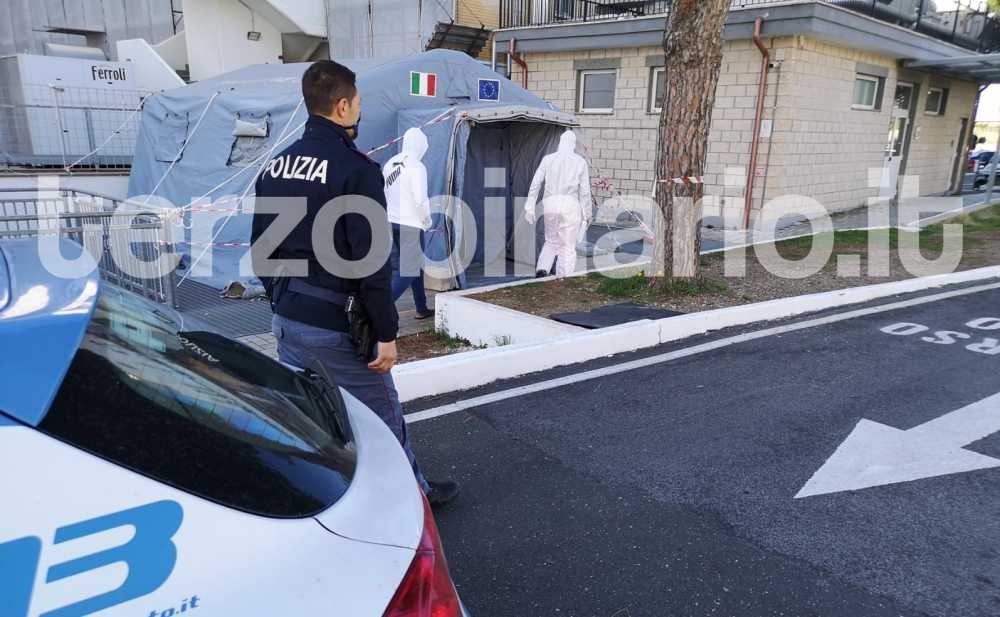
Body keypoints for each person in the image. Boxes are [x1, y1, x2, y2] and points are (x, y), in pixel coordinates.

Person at [251, 60, 459, 507]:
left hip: (288, 320)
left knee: (316, 418)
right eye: (358, 103)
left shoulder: (275, 166)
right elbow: (372, 265)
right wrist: (385, 332)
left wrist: (282, 301)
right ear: (342, 106)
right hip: (337, 327)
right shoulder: (356, 169)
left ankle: (332, 498)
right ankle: (414, 502)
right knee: (382, 417)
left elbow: (261, 251)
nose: (360, 111)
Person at [523, 130, 593, 278]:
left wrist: (530, 208)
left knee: (551, 241)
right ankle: (563, 276)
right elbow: (585, 192)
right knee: (567, 245)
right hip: (570, 205)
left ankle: (542, 269)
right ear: (573, 144)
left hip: (551, 203)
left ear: (560, 142)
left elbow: (535, 183)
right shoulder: (580, 162)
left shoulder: (548, 159)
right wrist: (587, 214)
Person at [383, 127, 434, 320]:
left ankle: (421, 307)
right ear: (420, 145)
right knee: (409, 270)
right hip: (411, 224)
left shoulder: (390, 163)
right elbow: (421, 200)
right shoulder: (417, 167)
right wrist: (427, 220)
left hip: (393, 222)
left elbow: (385, 193)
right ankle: (376, 311)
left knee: (413, 267)